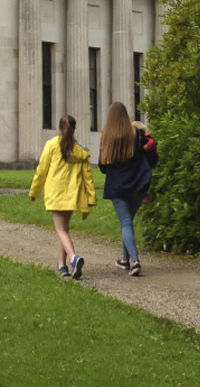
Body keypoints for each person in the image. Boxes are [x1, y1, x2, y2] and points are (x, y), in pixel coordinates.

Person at [27, 113, 98, 279]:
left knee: (60, 230)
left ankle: (74, 258)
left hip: (56, 193)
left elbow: (41, 170)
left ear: (59, 128)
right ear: (73, 130)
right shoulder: (80, 150)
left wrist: (34, 192)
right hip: (73, 194)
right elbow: (88, 175)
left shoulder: (51, 145)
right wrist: (91, 197)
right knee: (63, 230)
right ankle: (62, 265)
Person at [96, 102, 156, 276]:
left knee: (125, 223)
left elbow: (103, 167)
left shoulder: (106, 137)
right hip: (138, 185)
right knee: (128, 222)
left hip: (118, 187)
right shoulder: (136, 134)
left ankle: (135, 261)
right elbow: (152, 158)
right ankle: (125, 260)